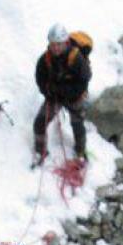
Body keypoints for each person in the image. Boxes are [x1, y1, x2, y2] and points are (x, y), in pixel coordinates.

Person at [32, 23, 92, 167]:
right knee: (39, 123)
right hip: (54, 97)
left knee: (77, 125)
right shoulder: (45, 60)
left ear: (65, 42)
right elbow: (40, 79)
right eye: (53, 44)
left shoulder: (76, 59)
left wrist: (61, 91)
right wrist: (47, 91)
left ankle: (80, 151)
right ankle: (41, 151)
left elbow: (83, 81)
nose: (56, 48)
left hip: (74, 97)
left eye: (59, 44)